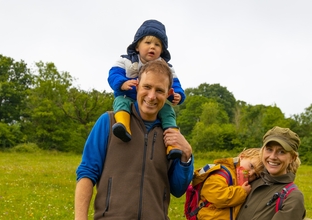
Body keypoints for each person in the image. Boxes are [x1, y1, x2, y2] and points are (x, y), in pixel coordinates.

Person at [75, 60, 194, 220]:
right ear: (137, 86)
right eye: (147, 87)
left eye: (159, 90)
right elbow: (87, 173)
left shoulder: (171, 137)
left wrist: (186, 154)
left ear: (168, 93)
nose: (151, 96)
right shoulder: (109, 122)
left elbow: (178, 189)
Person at [107, 19, 186, 160]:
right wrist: (122, 84)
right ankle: (123, 127)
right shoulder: (126, 60)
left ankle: (172, 144)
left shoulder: (166, 67)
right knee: (120, 102)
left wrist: (178, 95)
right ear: (137, 46)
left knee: (168, 112)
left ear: (162, 51)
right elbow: (113, 75)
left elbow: (175, 84)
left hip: (154, 103)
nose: (152, 47)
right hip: (129, 97)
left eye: (157, 45)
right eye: (148, 43)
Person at [236, 126, 306, 220]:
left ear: (292, 158)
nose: (273, 157)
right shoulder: (252, 180)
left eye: (281, 152)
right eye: (269, 149)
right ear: (263, 150)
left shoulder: (293, 197)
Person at [194, 148, 264, 220]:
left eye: (255, 175)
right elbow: (217, 196)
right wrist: (242, 192)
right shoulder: (222, 173)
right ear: (242, 157)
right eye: (251, 166)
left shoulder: (239, 180)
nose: (250, 173)